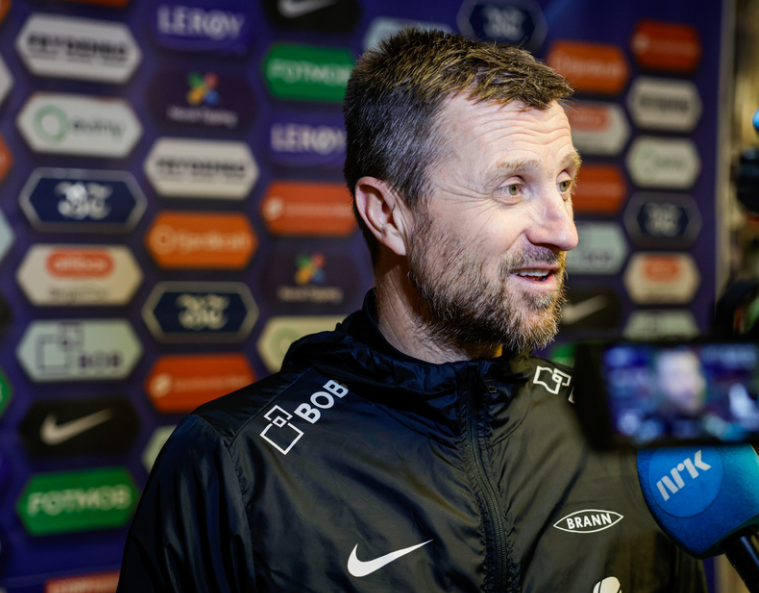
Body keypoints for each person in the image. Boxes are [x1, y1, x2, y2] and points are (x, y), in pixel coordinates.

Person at [117, 29, 711, 591]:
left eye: (563, 182)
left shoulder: (633, 425)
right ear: (388, 215)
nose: (565, 231)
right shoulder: (232, 464)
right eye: (511, 187)